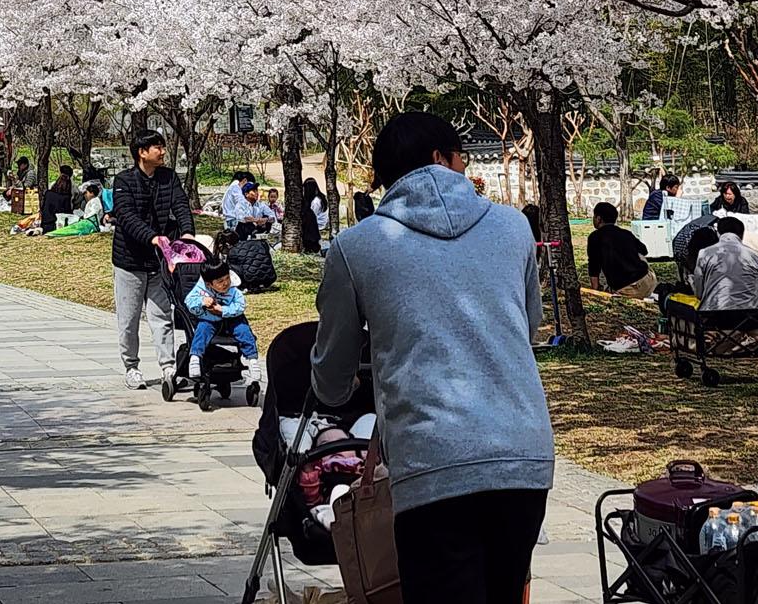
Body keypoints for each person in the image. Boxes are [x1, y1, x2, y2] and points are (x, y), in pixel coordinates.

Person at [312, 110, 553, 604]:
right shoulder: (513, 228)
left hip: (432, 463)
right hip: (522, 455)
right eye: (463, 158)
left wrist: (342, 386)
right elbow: (528, 328)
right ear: (443, 158)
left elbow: (332, 377)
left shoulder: (355, 248)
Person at [112, 128, 194, 390]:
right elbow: (126, 217)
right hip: (129, 261)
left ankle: (168, 367)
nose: (162, 151)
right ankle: (131, 367)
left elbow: (180, 205)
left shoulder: (168, 177)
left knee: (162, 315)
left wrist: (187, 232)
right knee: (129, 319)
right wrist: (153, 238)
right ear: (142, 152)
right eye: (157, 147)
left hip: (159, 262)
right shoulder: (124, 181)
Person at [184, 259, 262, 383]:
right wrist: (202, 301)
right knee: (202, 330)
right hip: (210, 320)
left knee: (244, 330)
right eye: (220, 281)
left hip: (232, 319)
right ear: (209, 284)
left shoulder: (233, 289)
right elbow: (189, 302)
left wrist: (223, 310)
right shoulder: (201, 289)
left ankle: (252, 359)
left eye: (227, 278)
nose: (225, 283)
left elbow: (240, 306)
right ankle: (195, 357)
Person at [693, 218, 758, 324]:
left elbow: (699, 292)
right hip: (751, 318)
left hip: (714, 317)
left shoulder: (704, 253)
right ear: (741, 235)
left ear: (718, 233)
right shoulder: (755, 255)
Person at [587, 202, 656, 299]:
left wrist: (595, 290)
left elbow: (594, 266)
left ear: (598, 219)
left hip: (628, 289)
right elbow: (644, 250)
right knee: (638, 253)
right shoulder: (626, 233)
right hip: (649, 282)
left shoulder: (594, 237)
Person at [39, 168, 76, 233]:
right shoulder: (66, 197)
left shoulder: (48, 193)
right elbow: (67, 213)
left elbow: (43, 208)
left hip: (44, 224)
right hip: (56, 225)